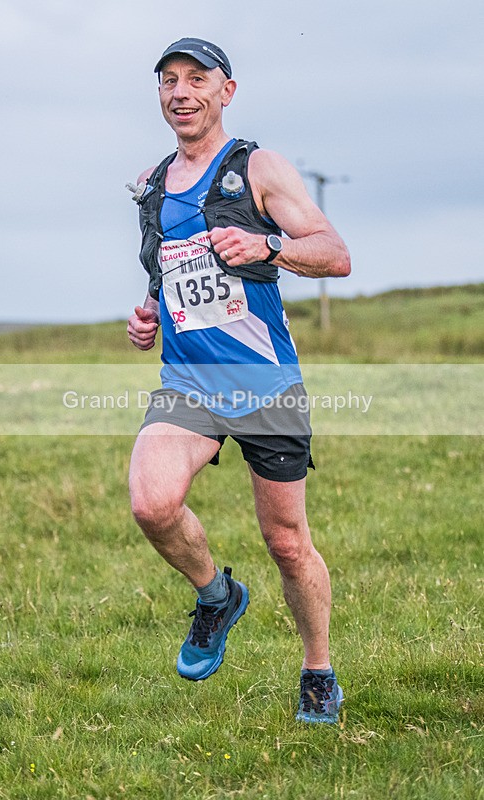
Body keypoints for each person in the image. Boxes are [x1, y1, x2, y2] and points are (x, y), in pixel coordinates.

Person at [127, 37, 351, 724]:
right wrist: (148, 317)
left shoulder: (258, 168)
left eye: (197, 79)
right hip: (188, 382)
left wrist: (268, 245)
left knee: (286, 542)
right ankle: (215, 595)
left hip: (264, 386)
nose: (180, 92)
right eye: (168, 80)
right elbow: (172, 274)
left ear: (226, 91)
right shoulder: (152, 182)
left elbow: (334, 255)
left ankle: (317, 670)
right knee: (151, 503)